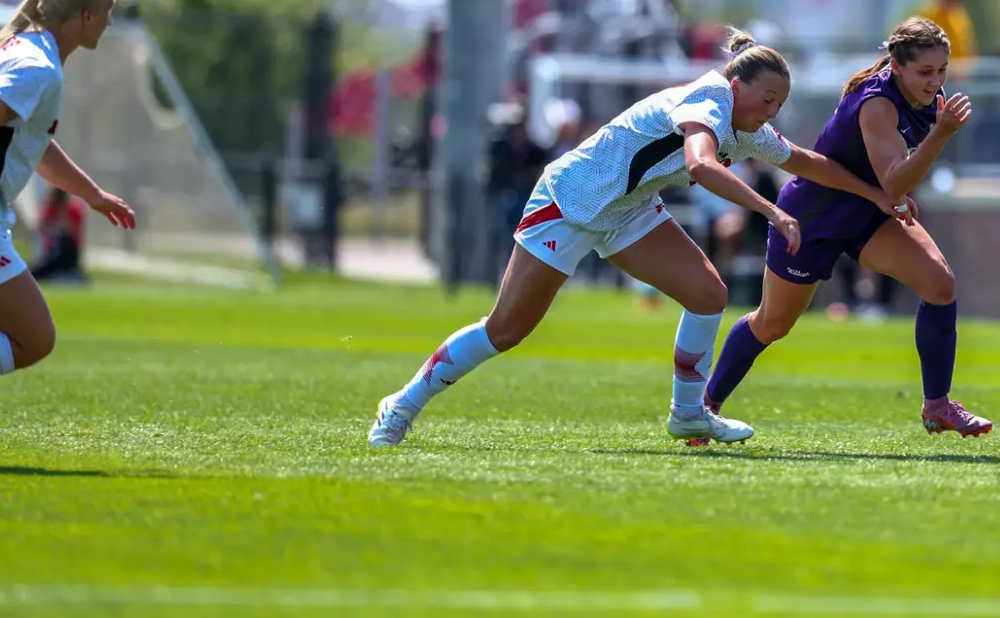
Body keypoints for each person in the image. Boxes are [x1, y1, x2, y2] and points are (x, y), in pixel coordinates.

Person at [368, 29, 910, 449]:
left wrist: (874, 194)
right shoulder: (711, 99)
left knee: (709, 294)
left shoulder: (748, 127)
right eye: (767, 99)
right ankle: (401, 404)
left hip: (626, 211)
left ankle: (688, 414)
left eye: (779, 105)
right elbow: (699, 165)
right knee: (507, 330)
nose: (771, 113)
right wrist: (771, 210)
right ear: (737, 84)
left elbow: (806, 161)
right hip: (571, 201)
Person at [694, 17, 991, 442]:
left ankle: (937, 406)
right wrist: (939, 137)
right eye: (926, 72)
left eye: (941, 70)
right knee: (772, 324)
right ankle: (705, 406)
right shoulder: (878, 103)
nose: (935, 81)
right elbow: (894, 179)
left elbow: (891, 181)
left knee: (940, 283)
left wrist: (898, 190)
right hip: (814, 214)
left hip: (867, 210)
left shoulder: (929, 98)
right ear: (897, 65)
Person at [0, 0, 137, 467]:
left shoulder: (23, 51)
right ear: (88, 15)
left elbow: (32, 144)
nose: (113, 21)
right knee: (32, 340)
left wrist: (91, 194)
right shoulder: (37, 66)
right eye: (110, 10)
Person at [33, 186, 87, 283]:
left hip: (67, 254)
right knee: (36, 273)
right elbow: (40, 227)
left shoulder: (73, 210)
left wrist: (63, 211)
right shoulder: (50, 209)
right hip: (51, 254)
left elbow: (70, 231)